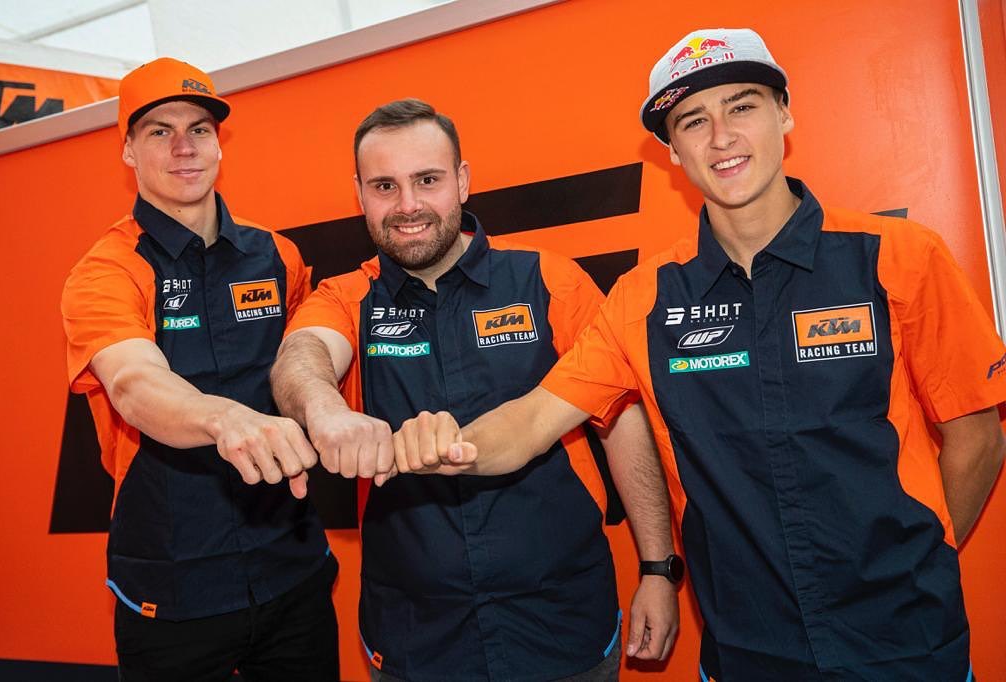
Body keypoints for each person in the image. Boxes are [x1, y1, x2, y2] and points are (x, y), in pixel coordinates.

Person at [395, 29, 1006, 681]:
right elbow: (530, 421)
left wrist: (918, 562)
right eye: (693, 121)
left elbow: (977, 438)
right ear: (673, 151)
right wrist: (445, 445)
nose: (721, 137)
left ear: (784, 113)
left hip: (909, 643)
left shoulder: (900, 256)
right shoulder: (643, 299)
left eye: (742, 106)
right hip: (747, 651)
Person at [270, 98, 677, 681]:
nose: (407, 206)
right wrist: (325, 410)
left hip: (562, 621)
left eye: (427, 180)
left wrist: (658, 568)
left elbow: (622, 423)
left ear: (461, 181)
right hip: (415, 637)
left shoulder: (550, 280)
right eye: (384, 186)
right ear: (359, 195)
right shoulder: (345, 298)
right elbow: (302, 355)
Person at [60, 57, 338, 681]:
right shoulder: (106, 271)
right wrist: (226, 420)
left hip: (292, 569)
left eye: (199, 129)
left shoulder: (278, 255)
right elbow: (133, 383)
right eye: (160, 131)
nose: (183, 147)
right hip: (172, 587)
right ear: (128, 150)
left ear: (219, 143)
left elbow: (305, 366)